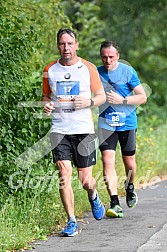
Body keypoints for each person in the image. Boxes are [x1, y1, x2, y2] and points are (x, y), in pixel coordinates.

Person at [42, 28, 106, 236]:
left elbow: (101, 97)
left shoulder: (87, 68)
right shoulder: (50, 69)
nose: (66, 48)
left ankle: (93, 195)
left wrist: (88, 102)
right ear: (57, 45)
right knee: (64, 174)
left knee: (85, 179)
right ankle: (71, 221)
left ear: (76, 45)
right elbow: (45, 96)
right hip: (59, 129)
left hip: (83, 129)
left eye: (70, 43)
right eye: (62, 44)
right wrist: (47, 105)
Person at [97, 41, 147, 218]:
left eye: (111, 57)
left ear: (117, 56)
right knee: (107, 160)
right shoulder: (96, 73)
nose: (108, 60)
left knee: (129, 163)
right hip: (106, 123)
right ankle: (114, 202)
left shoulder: (127, 71)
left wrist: (122, 101)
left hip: (127, 123)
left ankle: (130, 186)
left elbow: (142, 97)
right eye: (104, 57)